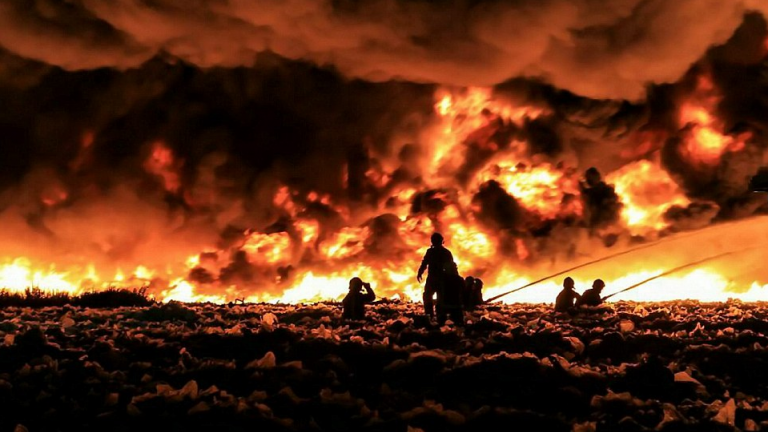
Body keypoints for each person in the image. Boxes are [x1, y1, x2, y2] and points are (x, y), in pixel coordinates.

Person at [417, 233, 455, 317]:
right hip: (437, 278)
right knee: (434, 297)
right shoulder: (442, 252)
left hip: (439, 278)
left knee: (435, 297)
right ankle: (435, 315)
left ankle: (433, 315)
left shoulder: (437, 252)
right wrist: (420, 272)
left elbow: (451, 267)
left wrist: (420, 272)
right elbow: (425, 262)